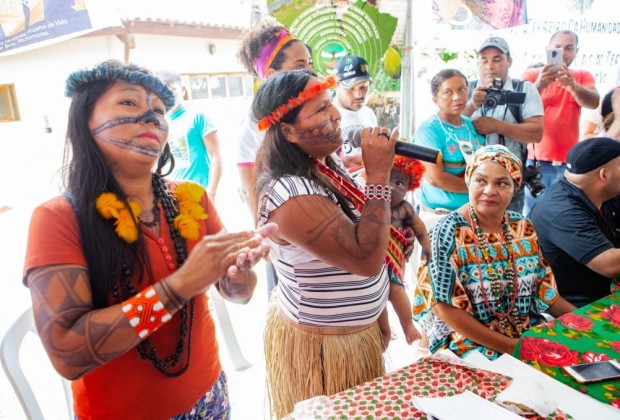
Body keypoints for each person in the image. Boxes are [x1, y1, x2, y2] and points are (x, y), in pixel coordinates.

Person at [22, 60, 276, 419]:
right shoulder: (57, 219)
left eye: (159, 110)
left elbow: (239, 293)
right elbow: (68, 352)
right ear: (84, 121)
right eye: (129, 103)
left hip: (210, 395)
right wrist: (182, 284)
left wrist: (236, 275)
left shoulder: (193, 196)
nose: (151, 117)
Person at [253, 69, 398, 418]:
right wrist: (378, 176)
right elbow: (365, 259)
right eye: (319, 110)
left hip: (351, 338)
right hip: (324, 350)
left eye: (330, 103)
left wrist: (378, 317)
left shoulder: (323, 166)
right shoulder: (288, 194)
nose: (335, 114)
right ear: (287, 131)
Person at [413, 145, 575, 360]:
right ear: (469, 181)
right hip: (467, 344)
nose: (490, 191)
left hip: (522, 332)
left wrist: (584, 321)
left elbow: (543, 289)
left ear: (515, 188)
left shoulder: (522, 227)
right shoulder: (444, 233)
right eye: (481, 181)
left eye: (502, 183)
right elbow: (442, 307)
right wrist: (510, 346)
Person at [236, 20, 313, 297]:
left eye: (310, 62)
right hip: (286, 237)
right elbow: (250, 189)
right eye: (299, 65)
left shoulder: (311, 109)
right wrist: (264, 236)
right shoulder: (252, 129)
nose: (310, 71)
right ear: (271, 73)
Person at [530, 137, 620, 308]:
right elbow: (609, 264)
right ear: (604, 175)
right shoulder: (561, 212)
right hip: (577, 307)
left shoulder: (601, 192)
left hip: (605, 292)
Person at [522, 30, 600, 214]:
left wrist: (573, 86)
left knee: (565, 216)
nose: (563, 52)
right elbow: (518, 107)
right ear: (547, 49)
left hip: (569, 164)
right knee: (532, 217)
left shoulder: (581, 75)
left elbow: (594, 101)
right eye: (557, 48)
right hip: (536, 164)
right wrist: (541, 83)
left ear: (576, 52)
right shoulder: (532, 74)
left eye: (569, 48)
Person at [463, 36, 544, 213]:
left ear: (509, 61)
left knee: (508, 236)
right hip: (469, 183)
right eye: (484, 60)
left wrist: (498, 126)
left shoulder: (524, 89)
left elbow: (536, 133)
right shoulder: (465, 89)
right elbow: (448, 127)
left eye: (497, 59)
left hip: (509, 183)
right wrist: (472, 105)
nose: (490, 66)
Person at [413, 69, 486, 215]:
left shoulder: (469, 125)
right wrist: (479, 188)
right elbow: (435, 178)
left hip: (473, 212)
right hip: (440, 214)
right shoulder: (429, 130)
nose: (457, 97)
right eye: (448, 92)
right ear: (435, 99)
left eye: (462, 90)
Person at [156, 70, 222, 201]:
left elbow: (216, 155)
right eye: (164, 93)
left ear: (183, 90)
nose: (169, 96)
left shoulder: (198, 117)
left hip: (199, 194)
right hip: (174, 196)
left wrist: (211, 193)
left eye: (173, 90)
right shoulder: (161, 123)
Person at [388, 156, 428, 344]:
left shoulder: (404, 208)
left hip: (393, 257)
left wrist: (426, 247)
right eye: (386, 179)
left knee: (396, 289)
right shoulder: (367, 201)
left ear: (409, 188)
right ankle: (384, 328)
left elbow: (420, 228)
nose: (391, 187)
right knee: (377, 297)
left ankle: (407, 325)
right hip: (371, 258)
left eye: (399, 183)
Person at [332, 54, 378, 172]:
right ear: (336, 84)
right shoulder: (328, 117)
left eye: (363, 87)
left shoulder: (369, 114)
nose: (359, 95)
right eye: (351, 88)